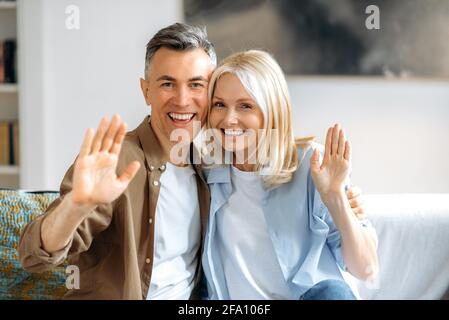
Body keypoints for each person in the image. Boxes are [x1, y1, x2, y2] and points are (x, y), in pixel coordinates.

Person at [18, 23, 367, 300]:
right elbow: (33, 256)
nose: (183, 100)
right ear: (146, 91)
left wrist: (338, 200)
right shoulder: (118, 159)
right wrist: (75, 207)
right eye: (167, 83)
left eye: (196, 85)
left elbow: (267, 154)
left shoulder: (210, 163)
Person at [201, 49, 379, 300]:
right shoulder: (205, 172)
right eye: (219, 105)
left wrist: (336, 198)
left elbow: (366, 269)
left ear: (272, 111)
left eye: (245, 106)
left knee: (333, 293)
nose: (229, 119)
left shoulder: (312, 165)